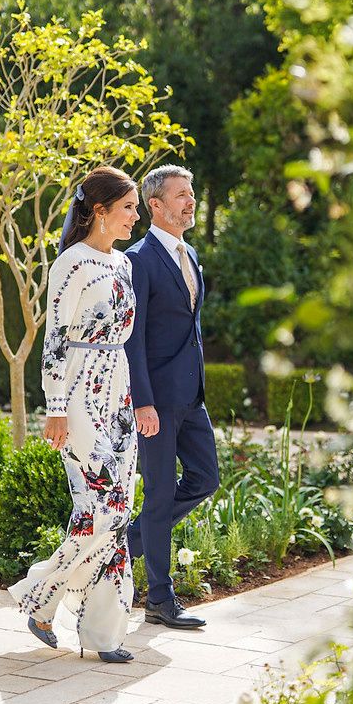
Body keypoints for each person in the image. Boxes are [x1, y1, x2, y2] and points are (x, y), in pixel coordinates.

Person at [8, 166, 140, 663]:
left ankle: (103, 635)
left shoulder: (124, 265)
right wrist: (56, 408)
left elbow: (126, 338)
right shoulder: (71, 263)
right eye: (127, 208)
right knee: (107, 507)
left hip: (119, 391)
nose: (135, 216)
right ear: (99, 211)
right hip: (80, 393)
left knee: (111, 514)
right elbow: (56, 340)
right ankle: (41, 593)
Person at [125, 164, 219, 629]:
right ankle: (159, 600)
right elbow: (132, 337)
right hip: (156, 402)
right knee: (160, 495)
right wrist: (141, 401)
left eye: (192, 192)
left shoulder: (191, 254)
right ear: (155, 205)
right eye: (181, 194)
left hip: (191, 397)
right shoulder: (138, 259)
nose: (191, 200)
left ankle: (126, 542)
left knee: (206, 478)